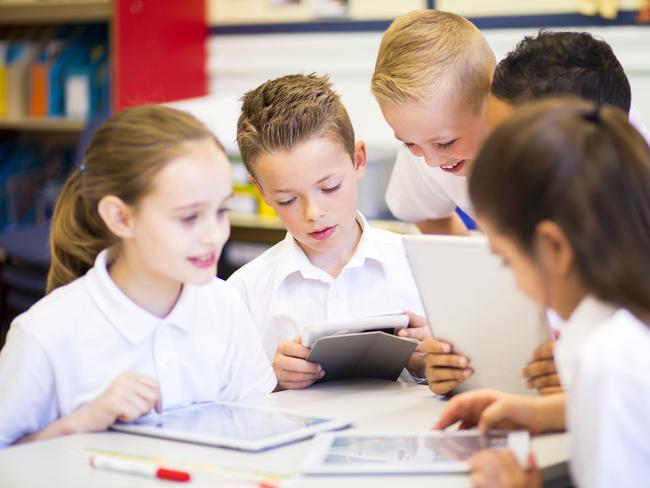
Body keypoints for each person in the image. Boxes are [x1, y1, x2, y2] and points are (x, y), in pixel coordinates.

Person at [372, 15, 645, 394]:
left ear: (490, 93)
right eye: (411, 145)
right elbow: (435, 224)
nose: (431, 161)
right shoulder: (428, 137)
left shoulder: (600, 149)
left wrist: (584, 353)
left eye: (447, 143)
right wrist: (464, 337)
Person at [0, 105, 277, 447]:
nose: (214, 235)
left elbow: (261, 423)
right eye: (189, 217)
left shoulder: (225, 305)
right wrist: (81, 423)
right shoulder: (45, 334)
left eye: (221, 211)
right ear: (121, 218)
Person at [434, 98, 650, 487]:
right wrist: (547, 413)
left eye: (507, 260)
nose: (514, 283)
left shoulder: (610, 359)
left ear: (554, 248)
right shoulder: (625, 330)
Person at [227, 73, 437, 391]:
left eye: (330, 187)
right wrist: (271, 381)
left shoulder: (422, 267)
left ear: (358, 160)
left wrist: (431, 364)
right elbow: (225, 403)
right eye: (287, 199)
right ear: (261, 192)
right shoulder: (243, 294)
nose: (314, 213)